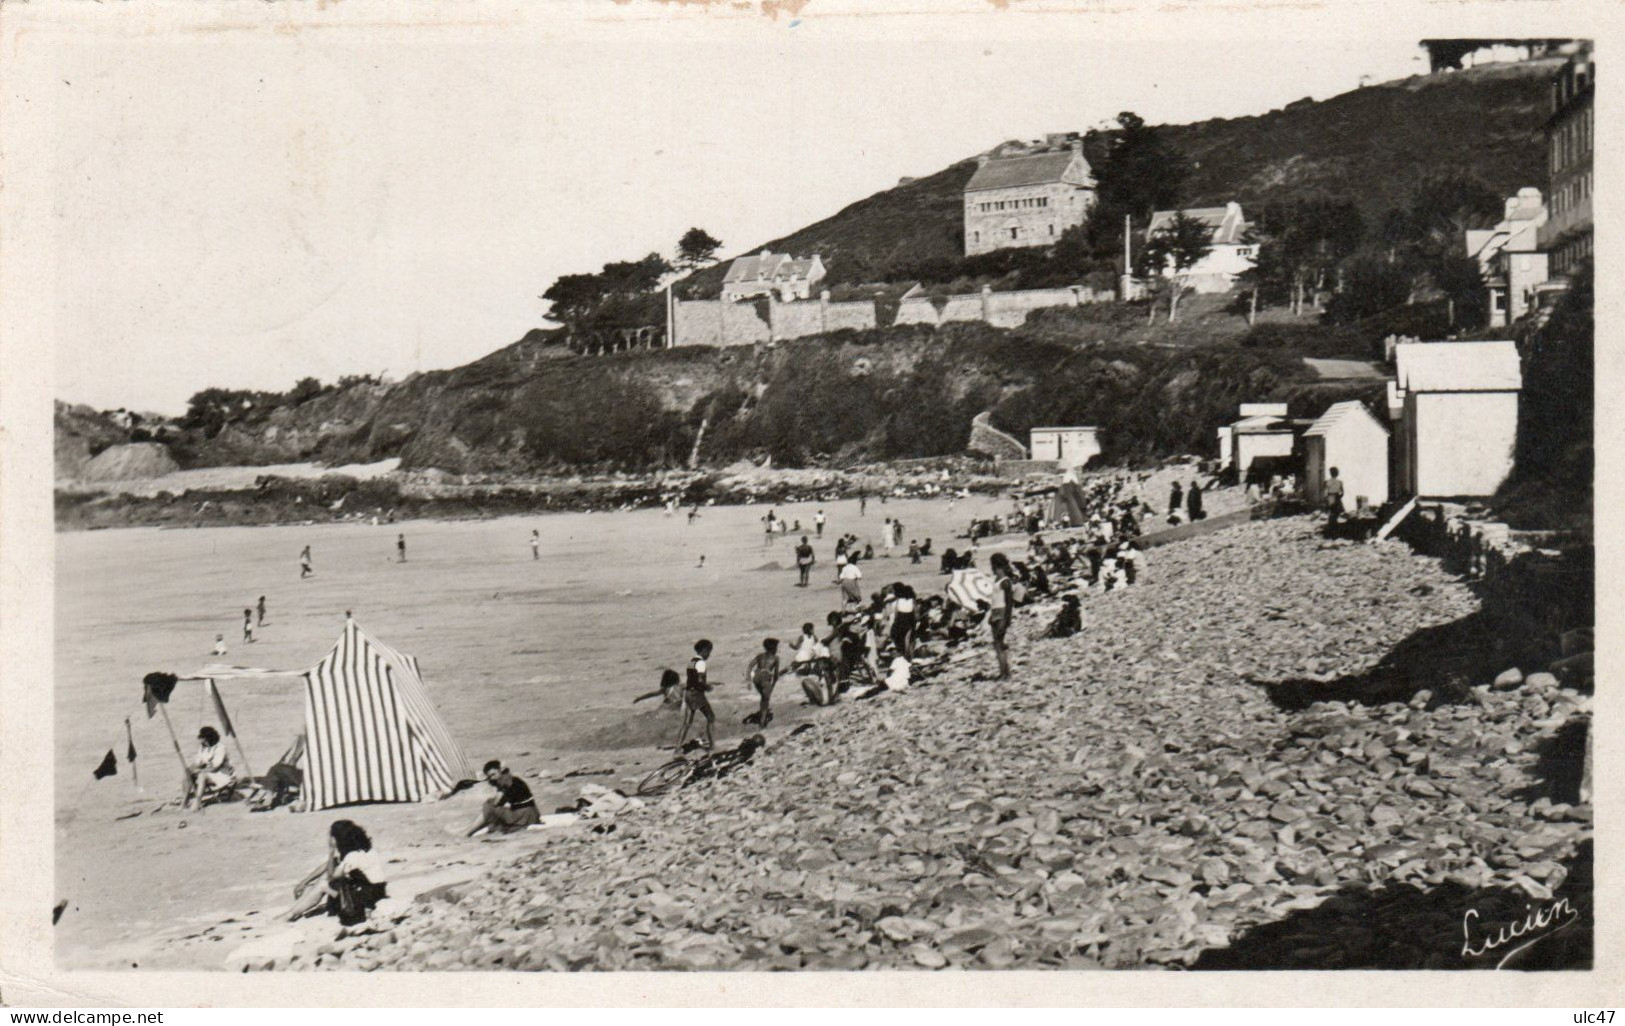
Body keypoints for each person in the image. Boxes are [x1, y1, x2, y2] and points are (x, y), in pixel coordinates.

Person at [285, 820, 388, 925]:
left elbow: (331, 876)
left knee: (323, 884)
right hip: (376, 894)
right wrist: (305, 882)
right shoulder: (368, 851)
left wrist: (331, 850)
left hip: (365, 902)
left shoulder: (352, 857)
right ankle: (297, 910)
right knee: (335, 875)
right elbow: (331, 863)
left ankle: (292, 914)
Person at [467, 760, 541, 836]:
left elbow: (496, 802)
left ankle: (469, 832)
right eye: (490, 776)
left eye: (493, 774)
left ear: (500, 770)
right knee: (492, 805)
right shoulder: (512, 778)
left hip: (525, 816)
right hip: (533, 813)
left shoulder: (504, 780)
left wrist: (492, 800)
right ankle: (473, 830)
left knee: (489, 806)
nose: (492, 778)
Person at [675, 640, 716, 752]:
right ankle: (712, 747)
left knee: (687, 723)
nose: (709, 654)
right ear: (704, 650)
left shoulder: (691, 662)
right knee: (711, 717)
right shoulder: (701, 663)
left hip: (688, 693)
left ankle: (677, 748)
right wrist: (707, 687)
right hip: (696, 694)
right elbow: (700, 680)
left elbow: (691, 679)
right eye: (709, 651)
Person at [185, 726, 235, 807]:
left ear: (206, 738)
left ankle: (197, 803)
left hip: (223, 774)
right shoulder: (203, 747)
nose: (200, 740)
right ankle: (184, 801)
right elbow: (199, 761)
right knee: (188, 772)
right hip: (209, 772)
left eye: (201, 738)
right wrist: (193, 768)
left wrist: (200, 771)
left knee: (202, 776)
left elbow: (216, 767)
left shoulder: (220, 747)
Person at [987, 552, 1016, 680]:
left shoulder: (1005, 582)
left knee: (998, 644)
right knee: (998, 644)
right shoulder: (998, 580)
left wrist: (1006, 620)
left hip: (1002, 613)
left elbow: (1009, 603)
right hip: (996, 612)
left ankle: (1004, 674)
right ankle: (1005, 672)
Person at [744, 638, 781, 727]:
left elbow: (750, 666)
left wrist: (749, 680)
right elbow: (776, 675)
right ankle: (762, 722)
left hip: (756, 676)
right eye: (776, 648)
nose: (777, 649)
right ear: (773, 648)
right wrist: (773, 685)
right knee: (766, 700)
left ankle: (762, 717)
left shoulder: (760, 656)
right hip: (766, 677)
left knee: (763, 697)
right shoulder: (776, 658)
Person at [890, 582, 917, 659]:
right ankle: (909, 657)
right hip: (909, 621)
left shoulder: (898, 601)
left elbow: (896, 614)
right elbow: (915, 614)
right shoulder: (912, 601)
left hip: (900, 621)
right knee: (908, 641)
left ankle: (904, 656)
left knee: (902, 640)